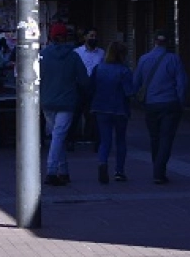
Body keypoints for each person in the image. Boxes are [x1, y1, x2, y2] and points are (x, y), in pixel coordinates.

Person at [134, 29, 188, 184]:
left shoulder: (144, 59)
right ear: (169, 42)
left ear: (154, 41)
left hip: (151, 105)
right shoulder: (174, 59)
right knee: (166, 138)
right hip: (170, 103)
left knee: (154, 137)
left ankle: (156, 167)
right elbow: (181, 83)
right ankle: (159, 170)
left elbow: (136, 82)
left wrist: (139, 100)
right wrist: (180, 101)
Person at [40, 23, 88, 186]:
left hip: (47, 101)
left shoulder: (42, 55)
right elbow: (83, 80)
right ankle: (52, 170)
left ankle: (63, 170)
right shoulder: (73, 56)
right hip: (67, 101)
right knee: (58, 136)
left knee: (56, 136)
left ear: (51, 37)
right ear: (66, 37)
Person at [87, 41, 137, 183]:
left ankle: (102, 162)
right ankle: (119, 171)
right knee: (121, 140)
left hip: (101, 108)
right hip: (120, 109)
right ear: (122, 55)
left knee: (105, 140)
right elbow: (129, 92)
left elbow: (91, 87)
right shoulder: (124, 70)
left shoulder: (99, 68)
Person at [69, 28, 105, 151]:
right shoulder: (76, 52)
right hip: (79, 87)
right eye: (91, 36)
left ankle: (96, 141)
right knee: (75, 115)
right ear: (85, 37)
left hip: (95, 87)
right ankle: (70, 140)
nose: (93, 38)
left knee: (94, 116)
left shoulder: (101, 53)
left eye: (95, 36)